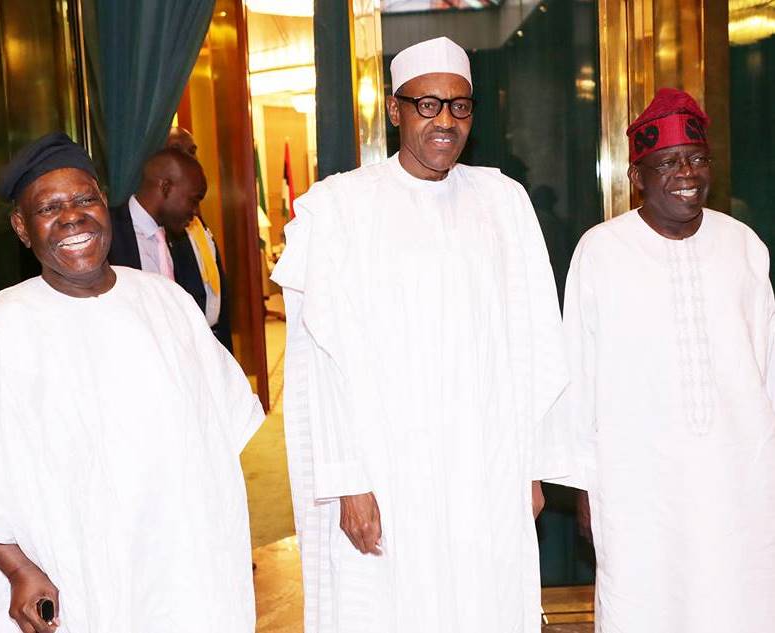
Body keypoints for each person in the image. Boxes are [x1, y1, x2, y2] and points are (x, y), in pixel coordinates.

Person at [271, 37, 568, 633]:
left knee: (484, 598)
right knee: (392, 606)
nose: (445, 121)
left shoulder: (503, 201)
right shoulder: (340, 208)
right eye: (427, 104)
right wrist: (348, 480)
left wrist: (531, 464)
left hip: (484, 460)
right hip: (387, 462)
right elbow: (321, 363)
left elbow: (535, 342)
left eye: (460, 106)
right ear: (393, 109)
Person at [0, 132, 262, 632]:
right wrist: (18, 570)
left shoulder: (167, 302)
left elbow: (219, 431)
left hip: (173, 568)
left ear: (104, 204)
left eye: (84, 199)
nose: (72, 217)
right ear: (22, 227)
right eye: (49, 207)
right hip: (70, 571)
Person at [561, 88, 775, 632]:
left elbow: (767, 366)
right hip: (637, 482)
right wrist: (584, 485)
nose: (687, 173)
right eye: (668, 163)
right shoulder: (600, 252)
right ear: (637, 175)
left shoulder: (743, 245)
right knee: (644, 602)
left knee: (740, 599)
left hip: (738, 477)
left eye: (697, 159)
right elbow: (577, 379)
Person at [108, 148, 232, 350]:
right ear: (165, 187)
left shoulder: (182, 240)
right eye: (193, 200)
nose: (195, 212)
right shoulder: (107, 234)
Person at [163, 127, 234, 352]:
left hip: (215, 340)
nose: (187, 157)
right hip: (189, 345)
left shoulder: (196, 220)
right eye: (177, 150)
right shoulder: (166, 227)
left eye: (192, 151)